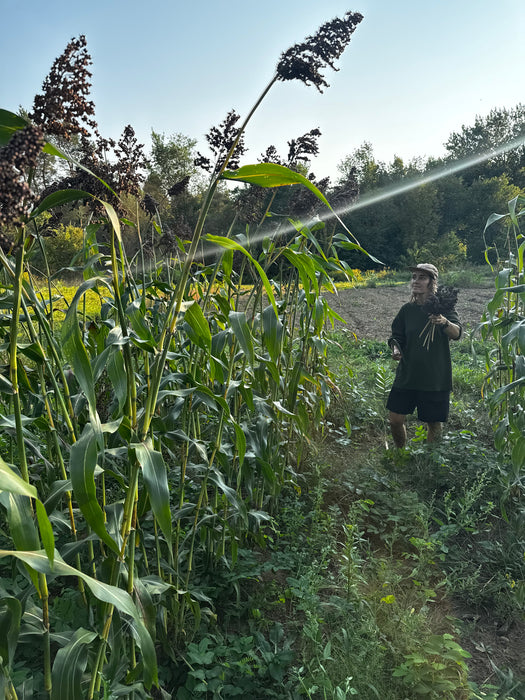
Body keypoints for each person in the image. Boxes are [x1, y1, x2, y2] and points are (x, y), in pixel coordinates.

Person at [386, 263, 461, 448]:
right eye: (414, 277)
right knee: (395, 419)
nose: (416, 281)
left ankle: (429, 460)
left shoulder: (443, 308)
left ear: (432, 282)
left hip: (435, 376)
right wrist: (396, 348)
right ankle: (400, 452)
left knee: (434, 423)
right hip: (408, 374)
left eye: (422, 277)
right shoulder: (407, 310)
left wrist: (444, 322)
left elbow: (457, 333)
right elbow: (396, 336)